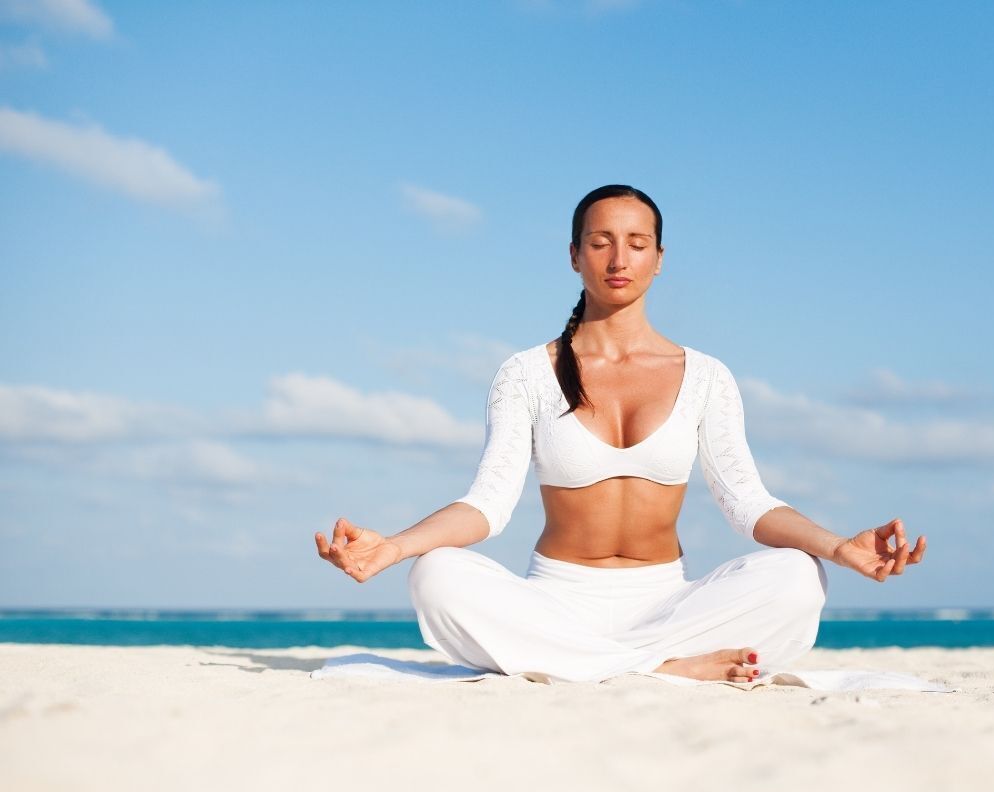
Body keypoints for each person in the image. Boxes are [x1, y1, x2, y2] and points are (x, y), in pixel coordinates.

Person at [314, 184, 927, 683]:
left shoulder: (706, 376)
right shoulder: (526, 373)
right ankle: (660, 669)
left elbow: (748, 503)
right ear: (575, 254)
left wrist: (839, 546)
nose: (618, 259)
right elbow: (489, 503)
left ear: (659, 259)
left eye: (637, 243)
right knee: (437, 573)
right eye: (601, 242)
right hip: (555, 602)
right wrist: (395, 547)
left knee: (798, 575)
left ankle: (614, 665)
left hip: (667, 604)